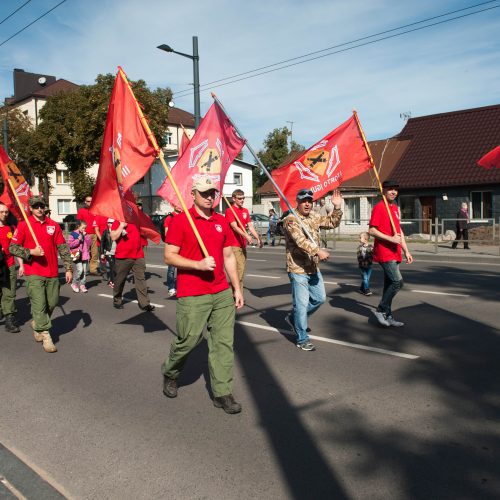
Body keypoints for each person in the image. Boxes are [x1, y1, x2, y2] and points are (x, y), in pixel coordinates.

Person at [161, 175, 244, 414]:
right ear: (193, 194)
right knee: (188, 340)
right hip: (193, 292)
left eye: (213, 193)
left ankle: (222, 393)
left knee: (223, 343)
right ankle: (170, 372)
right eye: (205, 193)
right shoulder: (181, 221)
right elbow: (169, 256)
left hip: (220, 292)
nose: (210, 197)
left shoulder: (221, 221)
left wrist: (236, 288)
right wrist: (198, 265)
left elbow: (228, 257)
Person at [10, 196, 73, 353]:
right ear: (30, 208)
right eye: (36, 206)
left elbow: (62, 247)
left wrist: (68, 267)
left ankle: (37, 323)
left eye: (41, 206)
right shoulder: (24, 225)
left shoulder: (53, 225)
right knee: (39, 304)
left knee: (52, 303)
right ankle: (46, 335)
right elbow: (13, 247)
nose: (39, 208)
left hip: (52, 271)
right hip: (34, 272)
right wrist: (31, 252)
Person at [283, 188, 343, 351]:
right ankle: (302, 338)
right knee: (301, 305)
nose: (307, 203)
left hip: (313, 267)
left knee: (319, 298)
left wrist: (337, 208)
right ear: (298, 202)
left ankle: (295, 318)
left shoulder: (314, 216)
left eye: (310, 200)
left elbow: (331, 223)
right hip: (298, 269)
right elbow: (300, 241)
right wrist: (318, 251)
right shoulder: (291, 219)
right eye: (304, 201)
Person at [369, 179, 413, 327]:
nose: (393, 191)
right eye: (390, 189)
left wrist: (406, 250)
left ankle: (388, 315)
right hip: (384, 251)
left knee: (389, 285)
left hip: (395, 251)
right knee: (397, 282)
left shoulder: (394, 207)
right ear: (383, 191)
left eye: (395, 189)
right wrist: (391, 239)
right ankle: (381, 310)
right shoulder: (380, 207)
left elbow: (399, 231)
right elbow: (372, 230)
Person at [110, 218, 155, 312]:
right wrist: (121, 225)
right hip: (123, 256)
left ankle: (144, 303)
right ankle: (117, 299)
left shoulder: (137, 220)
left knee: (140, 279)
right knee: (120, 280)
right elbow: (113, 237)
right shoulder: (117, 221)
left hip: (138, 255)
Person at [224, 189, 262, 289]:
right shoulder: (230, 211)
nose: (242, 200)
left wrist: (257, 238)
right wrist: (246, 236)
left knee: (241, 270)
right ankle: (237, 293)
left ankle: (236, 293)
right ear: (234, 199)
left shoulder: (245, 211)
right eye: (239, 198)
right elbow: (234, 226)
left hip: (242, 244)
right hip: (233, 245)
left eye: (243, 198)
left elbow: (250, 226)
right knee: (239, 270)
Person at [0, 202, 24, 333]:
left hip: (9, 265)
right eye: (2, 212)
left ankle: (9, 319)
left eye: (6, 212)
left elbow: (16, 248)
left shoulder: (11, 228)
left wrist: (21, 264)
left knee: (9, 292)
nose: (4, 214)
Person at [77, 195, 100, 275]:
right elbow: (79, 223)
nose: (90, 203)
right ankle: (83, 269)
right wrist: (80, 233)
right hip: (85, 234)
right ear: (85, 202)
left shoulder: (96, 210)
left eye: (91, 201)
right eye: (88, 201)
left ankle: (93, 269)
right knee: (85, 252)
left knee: (94, 253)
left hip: (95, 234)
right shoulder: (81, 211)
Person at [68, 219, 92, 293]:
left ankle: (82, 284)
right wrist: (78, 240)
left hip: (84, 254)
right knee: (80, 270)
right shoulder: (73, 234)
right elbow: (70, 245)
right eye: (83, 228)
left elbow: (89, 243)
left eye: (85, 228)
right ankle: (74, 283)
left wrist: (86, 237)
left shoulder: (85, 234)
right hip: (76, 253)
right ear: (78, 226)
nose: (84, 229)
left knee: (84, 271)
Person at [164, 206, 182, 297]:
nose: (180, 207)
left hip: (183, 246)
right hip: (173, 246)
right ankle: (171, 287)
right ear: (173, 206)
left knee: (182, 268)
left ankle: (181, 287)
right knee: (171, 270)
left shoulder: (183, 216)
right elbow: (166, 233)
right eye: (177, 204)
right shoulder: (169, 217)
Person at [100, 218, 116, 288]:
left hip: (116, 252)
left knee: (115, 267)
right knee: (113, 267)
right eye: (108, 223)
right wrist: (102, 253)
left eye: (111, 223)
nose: (110, 224)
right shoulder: (105, 232)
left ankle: (111, 280)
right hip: (108, 252)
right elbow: (102, 243)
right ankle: (112, 282)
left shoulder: (117, 231)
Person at [357, 231, 373, 296]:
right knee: (365, 278)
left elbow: (373, 255)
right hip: (362, 266)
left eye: (360, 237)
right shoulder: (359, 247)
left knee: (366, 279)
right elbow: (358, 256)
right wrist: (362, 262)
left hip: (369, 266)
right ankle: (367, 290)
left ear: (365, 239)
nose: (359, 239)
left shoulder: (371, 247)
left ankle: (361, 289)